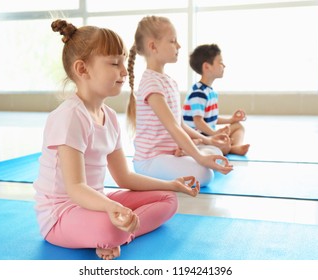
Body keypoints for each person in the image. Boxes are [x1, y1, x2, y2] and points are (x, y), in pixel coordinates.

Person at [33, 19, 201, 261]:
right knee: (111, 226)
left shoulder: (109, 117)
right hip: (61, 215)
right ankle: (116, 233)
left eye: (123, 61)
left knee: (168, 200)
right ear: (82, 70)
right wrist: (113, 209)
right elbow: (76, 188)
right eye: (114, 63)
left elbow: (124, 177)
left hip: (95, 202)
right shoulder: (70, 117)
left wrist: (171, 184)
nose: (124, 71)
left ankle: (123, 234)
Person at [126, 16, 233, 187]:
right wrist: (199, 157)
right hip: (151, 161)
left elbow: (181, 124)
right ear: (153, 46)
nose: (179, 46)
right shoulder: (151, 83)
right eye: (173, 41)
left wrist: (209, 141)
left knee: (215, 151)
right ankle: (190, 156)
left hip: (170, 154)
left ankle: (189, 154)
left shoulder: (168, 81)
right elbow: (173, 127)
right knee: (204, 174)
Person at [183, 44, 250, 155]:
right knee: (221, 145)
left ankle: (234, 146)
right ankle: (230, 148)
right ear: (207, 67)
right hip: (200, 136)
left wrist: (230, 120)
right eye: (220, 62)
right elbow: (198, 121)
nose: (224, 65)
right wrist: (214, 134)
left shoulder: (211, 92)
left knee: (238, 126)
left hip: (209, 134)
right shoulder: (198, 92)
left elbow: (211, 118)